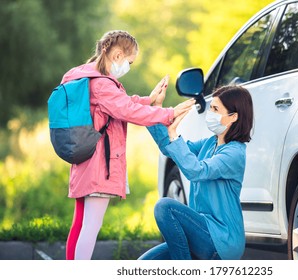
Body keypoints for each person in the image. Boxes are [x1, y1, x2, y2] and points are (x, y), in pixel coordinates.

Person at [63, 30, 195, 260]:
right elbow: (127, 111)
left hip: (86, 161)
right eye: (130, 61)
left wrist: (150, 101)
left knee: (80, 223)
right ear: (116, 55)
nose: (129, 66)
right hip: (99, 165)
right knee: (91, 226)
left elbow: (121, 104)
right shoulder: (102, 84)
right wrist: (168, 113)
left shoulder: (90, 79)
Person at [138, 85, 254, 260]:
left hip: (221, 240)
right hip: (200, 233)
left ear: (233, 117)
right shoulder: (210, 143)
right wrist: (155, 110)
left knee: (165, 207)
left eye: (216, 109)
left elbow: (197, 171)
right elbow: (171, 148)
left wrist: (174, 135)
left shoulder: (234, 153)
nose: (210, 113)